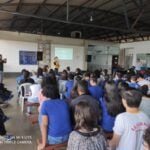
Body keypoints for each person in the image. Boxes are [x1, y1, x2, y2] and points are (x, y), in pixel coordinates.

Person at [37, 85, 72, 150]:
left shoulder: (45, 104)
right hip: (69, 135)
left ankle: (45, 140)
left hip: (55, 138)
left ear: (46, 94)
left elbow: (44, 125)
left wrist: (43, 144)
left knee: (40, 118)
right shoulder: (64, 102)